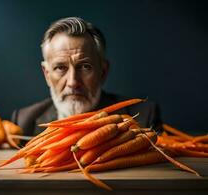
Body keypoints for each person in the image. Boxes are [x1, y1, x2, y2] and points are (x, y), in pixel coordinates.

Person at [11, 17, 162, 136]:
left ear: (103, 72)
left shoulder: (143, 119)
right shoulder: (23, 123)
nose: (73, 82)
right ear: (47, 75)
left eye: (85, 67)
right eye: (60, 68)